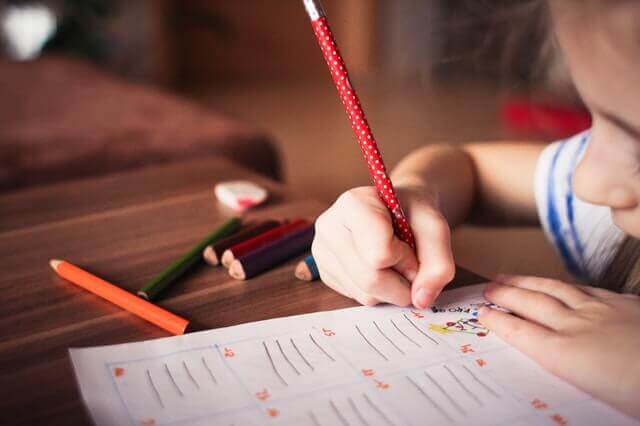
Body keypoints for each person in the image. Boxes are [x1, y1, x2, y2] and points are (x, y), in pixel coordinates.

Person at [311, 0, 640, 418]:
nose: (583, 180)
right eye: (594, 121)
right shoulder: (612, 197)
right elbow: (469, 169)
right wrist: (417, 194)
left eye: (636, 144)